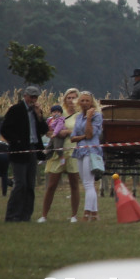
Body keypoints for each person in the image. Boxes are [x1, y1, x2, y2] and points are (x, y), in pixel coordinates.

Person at [0, 84, 49, 222]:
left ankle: (26, 215)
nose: (33, 100)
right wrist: (17, 142)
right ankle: (12, 215)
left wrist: (40, 116)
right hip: (19, 151)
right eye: (31, 97)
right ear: (25, 96)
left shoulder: (35, 112)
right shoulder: (16, 110)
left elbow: (44, 129)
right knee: (20, 183)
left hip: (33, 149)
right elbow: (5, 129)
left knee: (30, 184)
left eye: (36, 97)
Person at [38, 88, 82, 223]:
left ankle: (74, 215)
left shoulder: (80, 115)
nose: (71, 100)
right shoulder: (58, 113)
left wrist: (68, 132)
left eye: (74, 97)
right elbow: (48, 131)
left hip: (73, 151)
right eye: (69, 97)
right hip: (58, 151)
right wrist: (55, 134)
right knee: (52, 184)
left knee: (74, 184)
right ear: (65, 99)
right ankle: (44, 215)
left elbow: (83, 132)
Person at [69, 91, 103, 221]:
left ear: (91, 102)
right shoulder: (78, 117)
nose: (84, 103)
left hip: (91, 151)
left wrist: (89, 118)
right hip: (79, 151)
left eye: (87, 101)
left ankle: (87, 213)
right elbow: (73, 138)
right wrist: (82, 137)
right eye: (82, 101)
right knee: (86, 183)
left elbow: (90, 134)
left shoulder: (97, 116)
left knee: (89, 183)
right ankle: (94, 214)